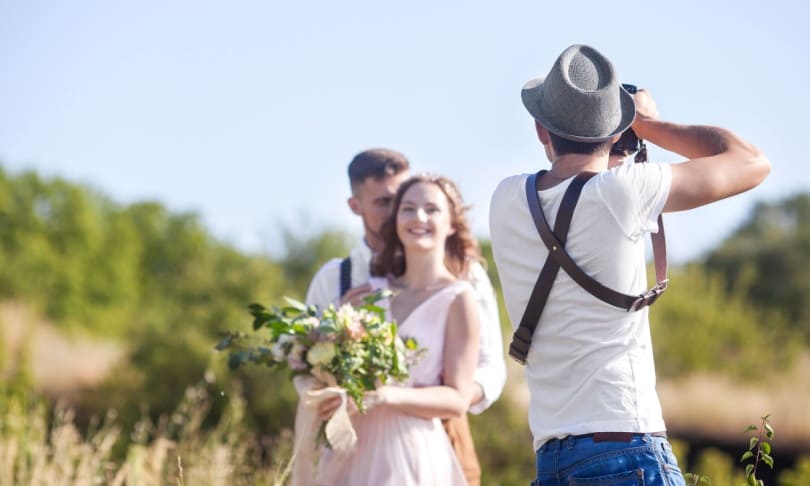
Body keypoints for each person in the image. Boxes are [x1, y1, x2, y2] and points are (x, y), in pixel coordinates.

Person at [489, 44, 771, 486]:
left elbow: (576, 195)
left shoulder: (506, 199)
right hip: (626, 445)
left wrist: (620, 143)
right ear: (616, 130)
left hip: (551, 455)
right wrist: (647, 125)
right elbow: (751, 162)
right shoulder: (625, 193)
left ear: (541, 131)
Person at [305, 148, 506, 485]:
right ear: (356, 207)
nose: (410, 214)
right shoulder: (341, 279)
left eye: (411, 200)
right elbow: (307, 362)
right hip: (353, 442)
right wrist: (338, 335)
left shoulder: (465, 279)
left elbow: (490, 369)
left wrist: (425, 396)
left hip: (436, 436)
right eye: (389, 203)